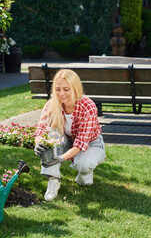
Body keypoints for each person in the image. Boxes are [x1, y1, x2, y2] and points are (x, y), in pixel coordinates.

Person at [33, 69, 105, 201]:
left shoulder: (88, 106)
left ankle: (84, 174)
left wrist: (62, 158)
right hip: (66, 139)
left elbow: (80, 143)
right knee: (53, 134)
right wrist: (38, 143)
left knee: (85, 164)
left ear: (75, 88)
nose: (61, 94)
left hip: (91, 143)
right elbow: (41, 129)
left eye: (66, 89)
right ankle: (53, 180)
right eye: (58, 89)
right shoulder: (51, 104)